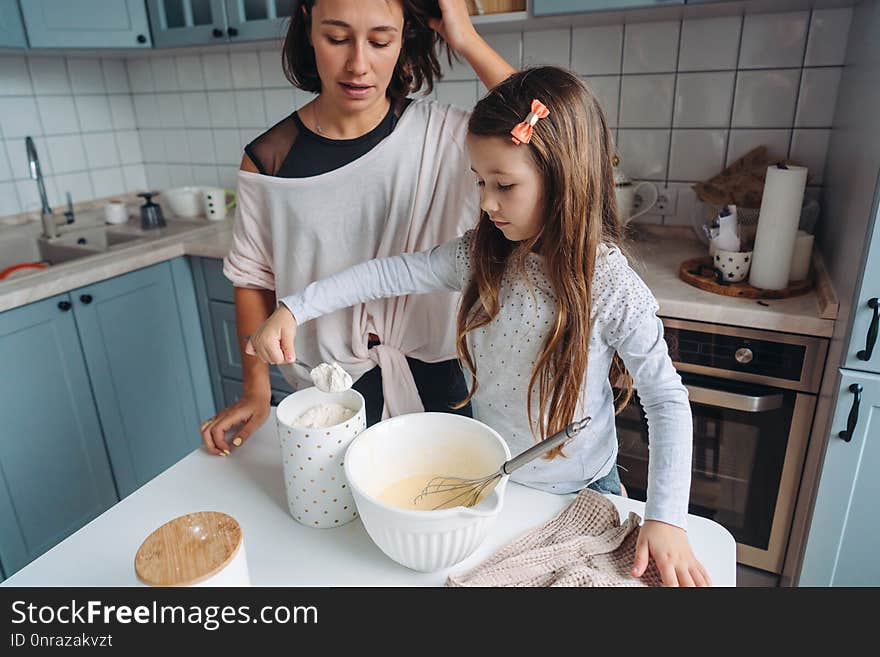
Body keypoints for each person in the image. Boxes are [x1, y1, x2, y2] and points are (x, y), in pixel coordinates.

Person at [246, 66, 710, 587]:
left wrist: (666, 517)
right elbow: (386, 273)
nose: (487, 203)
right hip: (496, 483)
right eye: (481, 182)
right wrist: (295, 308)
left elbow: (666, 399)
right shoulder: (481, 257)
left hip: (583, 492)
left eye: (504, 185)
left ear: (563, 180)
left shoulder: (608, 285)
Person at [200, 0, 516, 454]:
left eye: (380, 40)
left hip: (441, 381)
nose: (358, 65)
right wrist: (256, 390)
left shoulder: (449, 138)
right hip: (326, 394)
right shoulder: (269, 162)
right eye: (337, 38)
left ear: (405, 36)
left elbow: (548, 129)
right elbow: (253, 278)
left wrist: (464, 37)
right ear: (308, 26)